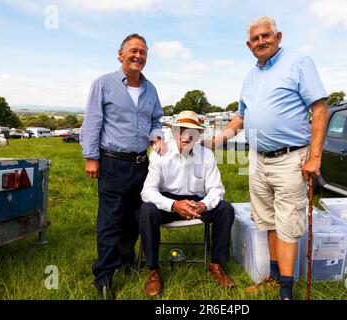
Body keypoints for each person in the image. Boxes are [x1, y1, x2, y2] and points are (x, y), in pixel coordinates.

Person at [208, 16, 329, 300]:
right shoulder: (250, 76)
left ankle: (285, 292)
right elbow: (240, 117)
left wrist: (315, 156)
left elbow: (320, 109)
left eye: (266, 36)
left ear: (278, 37)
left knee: (287, 221)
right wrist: (214, 141)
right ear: (248, 45)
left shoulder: (299, 63)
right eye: (255, 39)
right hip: (258, 158)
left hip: (291, 158)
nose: (260, 41)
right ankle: (275, 278)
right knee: (268, 220)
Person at [80, 33, 166, 299]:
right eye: (133, 50)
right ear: (120, 54)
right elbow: (93, 121)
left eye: (143, 52)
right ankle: (104, 276)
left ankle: (127, 261)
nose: (138, 56)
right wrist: (91, 156)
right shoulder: (104, 84)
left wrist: (157, 136)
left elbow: (156, 119)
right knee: (110, 220)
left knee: (133, 218)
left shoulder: (150, 88)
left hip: (142, 164)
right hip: (112, 163)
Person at [137, 110, 235, 297]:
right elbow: (147, 191)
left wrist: (204, 205)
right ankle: (153, 270)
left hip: (196, 202)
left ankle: (216, 264)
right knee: (146, 210)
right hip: (167, 203)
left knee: (225, 209)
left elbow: (216, 189)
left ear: (198, 135)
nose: (186, 135)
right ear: (174, 133)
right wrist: (174, 205)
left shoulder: (206, 155)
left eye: (192, 131)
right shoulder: (160, 154)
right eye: (181, 130)